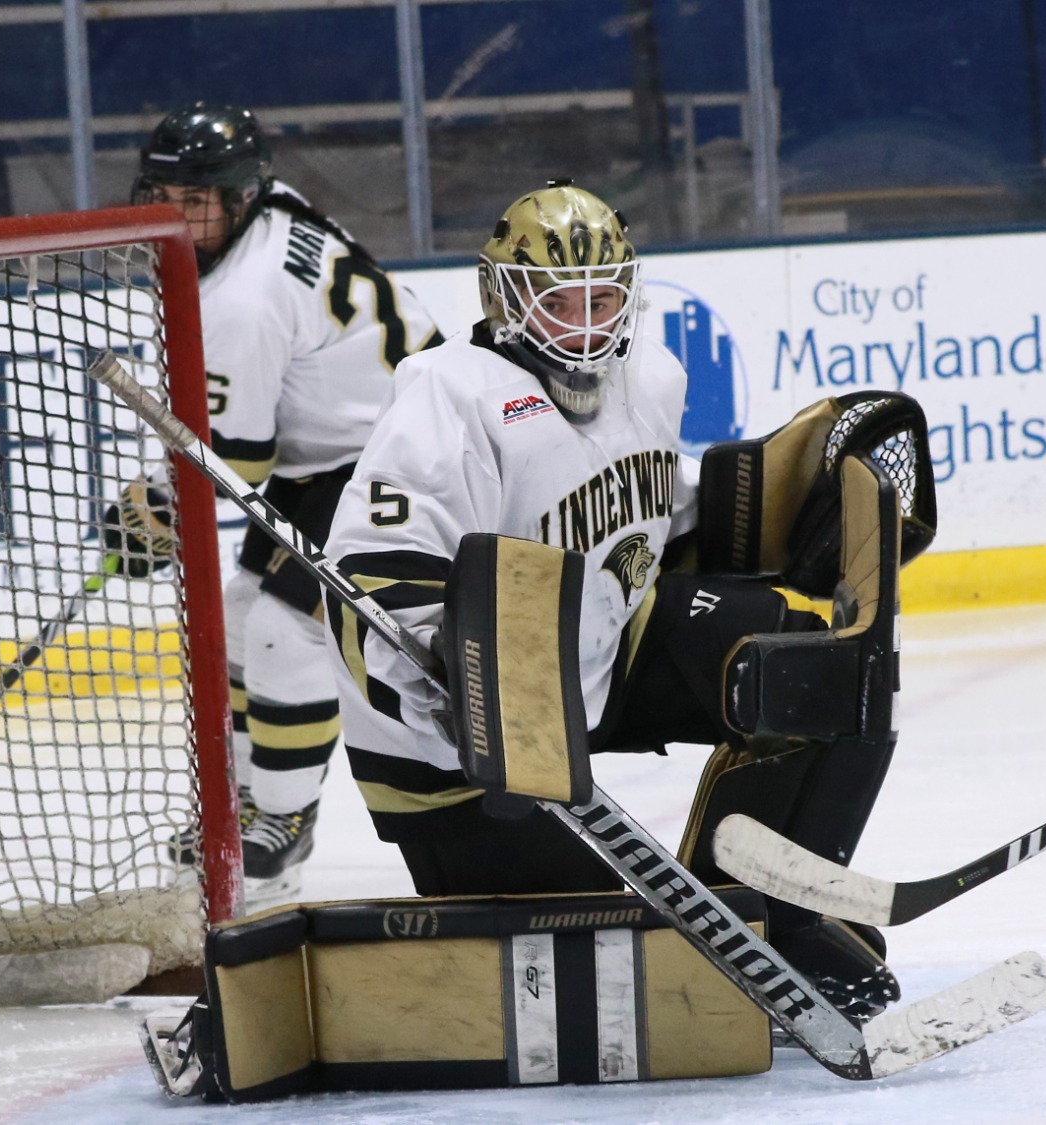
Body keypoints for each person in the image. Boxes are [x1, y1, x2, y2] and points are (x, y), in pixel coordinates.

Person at [323, 181, 935, 1020]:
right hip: (453, 756)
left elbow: (646, 529)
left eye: (601, 296)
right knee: (613, 980)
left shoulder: (651, 374)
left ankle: (766, 918)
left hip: (603, 657)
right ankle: (662, 941)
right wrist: (456, 690)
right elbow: (368, 582)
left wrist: (761, 516)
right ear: (502, 299)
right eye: (556, 300)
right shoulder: (448, 394)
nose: (583, 320)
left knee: (813, 670)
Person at [106, 102, 443, 894]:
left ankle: (283, 825)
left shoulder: (242, 302)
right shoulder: (264, 215)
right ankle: (247, 803)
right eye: (165, 197)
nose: (179, 219)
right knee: (237, 619)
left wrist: (152, 516)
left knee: (285, 636)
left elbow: (237, 464)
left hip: (398, 459)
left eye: (199, 203)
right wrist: (157, 503)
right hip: (341, 457)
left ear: (242, 197)